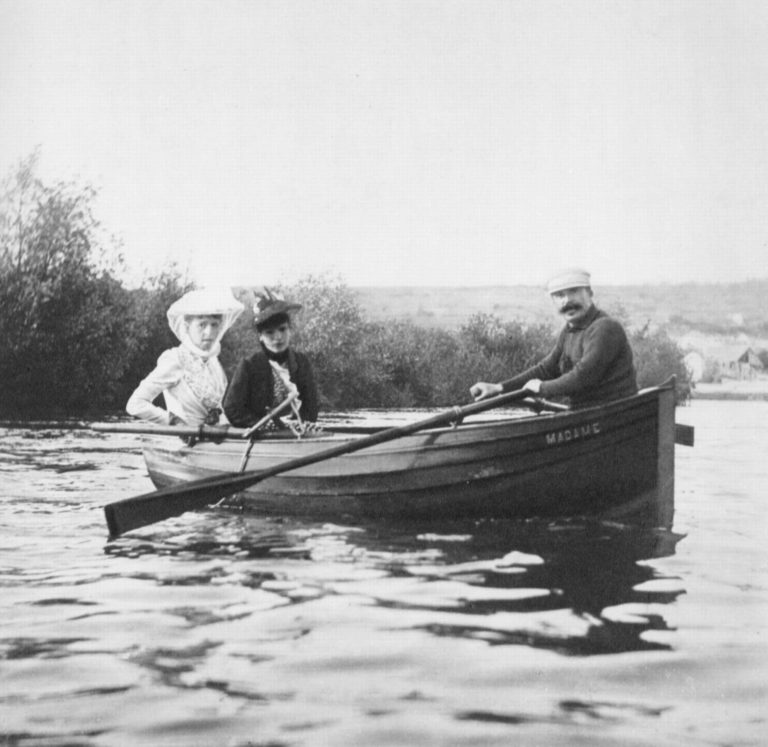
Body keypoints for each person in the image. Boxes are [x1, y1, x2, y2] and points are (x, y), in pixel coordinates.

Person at [470, 268, 637, 408]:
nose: (567, 301)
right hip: (586, 414)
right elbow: (546, 369)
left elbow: (583, 377)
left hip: (612, 414)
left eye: (574, 291)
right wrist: (499, 388)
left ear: (590, 293)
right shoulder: (570, 331)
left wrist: (542, 388)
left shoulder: (605, 328)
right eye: (559, 295)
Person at [126, 287, 244, 426]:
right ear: (187, 327)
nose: (209, 332)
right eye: (202, 325)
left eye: (214, 325)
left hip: (213, 442)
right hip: (181, 443)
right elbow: (135, 403)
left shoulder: (213, 363)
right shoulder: (176, 359)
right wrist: (174, 421)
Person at [222, 288, 319, 429]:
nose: (278, 337)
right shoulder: (250, 365)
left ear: (290, 329)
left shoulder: (301, 362)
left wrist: (305, 424)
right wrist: (261, 424)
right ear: (260, 336)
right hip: (263, 437)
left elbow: (311, 405)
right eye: (269, 332)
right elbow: (232, 408)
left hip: (298, 433)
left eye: (282, 329)